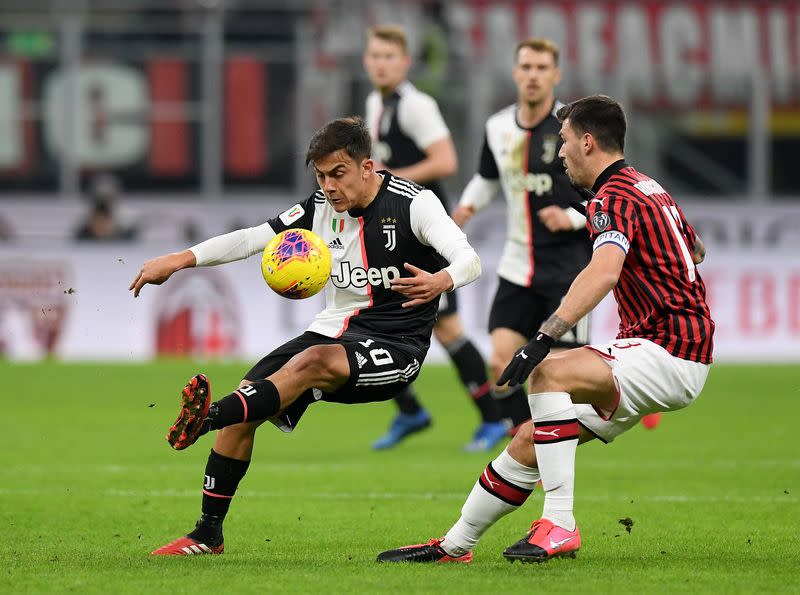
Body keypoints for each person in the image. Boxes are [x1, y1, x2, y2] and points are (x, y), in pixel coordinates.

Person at [376, 94, 714, 564]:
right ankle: (455, 545)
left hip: (667, 350)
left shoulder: (613, 198)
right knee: (530, 439)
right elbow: (694, 250)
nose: (559, 152)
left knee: (547, 372)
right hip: (672, 347)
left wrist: (544, 337)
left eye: (565, 140)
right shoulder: (646, 186)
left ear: (589, 142)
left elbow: (603, 272)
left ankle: (559, 523)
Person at [130, 116, 482, 556]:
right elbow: (253, 239)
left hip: (397, 346)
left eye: (338, 173)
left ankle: (204, 419)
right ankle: (207, 534)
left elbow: (469, 259)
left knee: (312, 362)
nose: (329, 186)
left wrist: (442, 281)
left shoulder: (415, 204)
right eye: (321, 175)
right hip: (333, 330)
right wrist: (182, 258)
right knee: (248, 403)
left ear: (367, 168)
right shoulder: (318, 208)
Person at [363, 25, 506, 452]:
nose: (380, 63)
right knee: (365, 309)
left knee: (446, 327)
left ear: (405, 63)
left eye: (389, 56)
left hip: (423, 227)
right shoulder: (376, 102)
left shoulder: (416, 106)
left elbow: (446, 160)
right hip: (392, 225)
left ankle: (492, 419)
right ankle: (410, 411)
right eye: (374, 55)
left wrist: (386, 180)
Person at [451, 38, 591, 436]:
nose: (533, 75)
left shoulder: (572, 128)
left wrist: (571, 217)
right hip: (518, 267)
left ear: (556, 75)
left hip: (568, 271)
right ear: (515, 73)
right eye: (526, 67)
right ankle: (527, 446)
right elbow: (488, 177)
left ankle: (618, 395)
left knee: (559, 376)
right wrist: (466, 208)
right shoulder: (497, 127)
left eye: (542, 68)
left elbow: (602, 194)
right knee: (501, 365)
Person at [74, 173, 139, 242]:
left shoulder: (125, 233)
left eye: (109, 197)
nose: (101, 226)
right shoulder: (82, 236)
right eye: (99, 223)